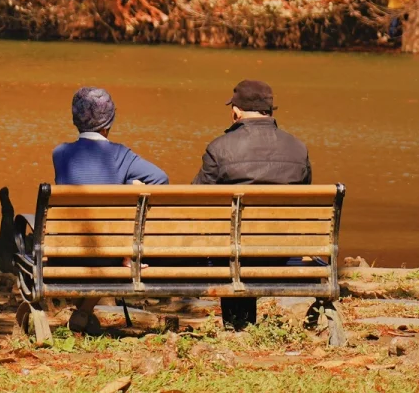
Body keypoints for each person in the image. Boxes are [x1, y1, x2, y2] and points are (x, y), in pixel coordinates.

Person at [192, 78, 311, 330]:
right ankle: (243, 325)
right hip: (282, 253)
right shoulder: (298, 148)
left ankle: (236, 325)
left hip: (234, 254)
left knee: (230, 243)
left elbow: (196, 202)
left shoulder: (219, 148)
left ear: (236, 112)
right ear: (269, 111)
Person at [51, 87, 167, 333]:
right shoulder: (121, 155)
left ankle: (83, 313)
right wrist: (128, 186)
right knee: (112, 250)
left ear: (75, 120)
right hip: (112, 254)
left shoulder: (60, 153)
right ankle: (83, 312)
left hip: (65, 252)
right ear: (109, 123)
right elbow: (160, 179)